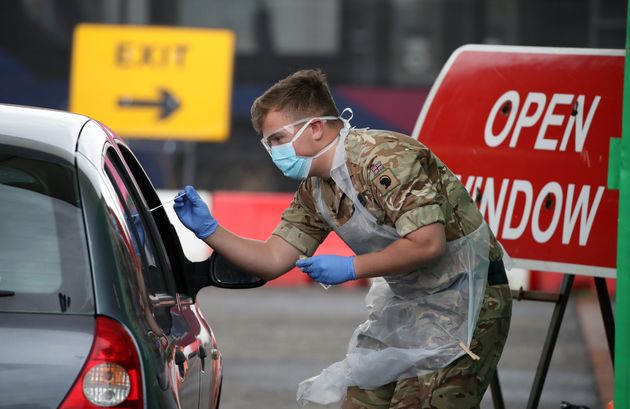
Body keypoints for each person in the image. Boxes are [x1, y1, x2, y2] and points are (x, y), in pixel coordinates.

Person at [173, 69, 512, 409]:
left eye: (277, 139)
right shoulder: (317, 189)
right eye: (268, 143)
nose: (272, 151)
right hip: (411, 304)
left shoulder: (382, 158)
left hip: (467, 301)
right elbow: (273, 259)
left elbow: (428, 242)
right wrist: (210, 231)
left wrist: (352, 267)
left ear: (316, 128)